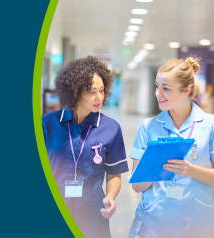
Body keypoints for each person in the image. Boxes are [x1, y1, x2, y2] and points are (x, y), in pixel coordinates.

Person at [42, 56, 129, 238]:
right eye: (92, 91)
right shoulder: (48, 124)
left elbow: (114, 174)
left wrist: (110, 197)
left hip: (92, 213)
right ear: (75, 92)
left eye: (102, 91)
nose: (99, 97)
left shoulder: (111, 128)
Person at [129, 57, 214, 238]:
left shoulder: (210, 125)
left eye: (166, 88)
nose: (158, 93)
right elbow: (136, 186)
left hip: (197, 222)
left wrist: (190, 170)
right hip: (155, 221)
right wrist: (152, 167)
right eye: (157, 85)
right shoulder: (148, 127)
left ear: (187, 90)